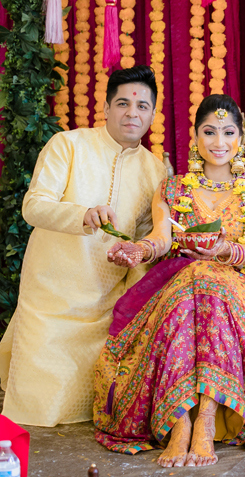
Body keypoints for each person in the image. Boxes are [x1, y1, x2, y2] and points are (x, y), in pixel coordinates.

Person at [92, 95, 245, 467]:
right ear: (195, 137)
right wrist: (140, 251)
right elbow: (163, 239)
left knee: (206, 278)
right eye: (209, 132)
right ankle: (181, 423)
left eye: (229, 132)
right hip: (182, 292)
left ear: (241, 137)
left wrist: (222, 252)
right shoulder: (173, 188)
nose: (219, 142)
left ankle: (206, 421)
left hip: (244, 295)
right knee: (197, 275)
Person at [0, 66, 166, 427]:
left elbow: (146, 237)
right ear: (105, 108)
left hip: (106, 300)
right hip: (51, 295)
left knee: (93, 420)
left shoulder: (156, 172)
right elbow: (34, 206)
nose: (132, 113)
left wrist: (135, 261)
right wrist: (83, 214)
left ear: (153, 114)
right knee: (36, 415)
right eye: (122, 103)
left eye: (142, 106)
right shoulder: (68, 145)